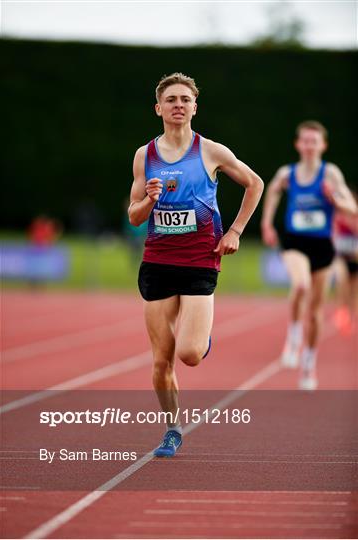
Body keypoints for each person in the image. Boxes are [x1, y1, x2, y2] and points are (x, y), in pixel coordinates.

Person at [128, 72, 263, 457]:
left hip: (201, 261)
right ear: (158, 108)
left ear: (194, 107)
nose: (178, 105)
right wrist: (149, 201)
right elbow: (134, 216)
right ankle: (173, 428)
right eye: (171, 99)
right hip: (157, 261)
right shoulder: (145, 155)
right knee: (160, 361)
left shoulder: (211, 152)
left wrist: (235, 230)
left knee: (188, 354)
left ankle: (200, 338)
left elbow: (255, 183)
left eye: (185, 99)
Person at [261, 121, 357, 390]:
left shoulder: (330, 174)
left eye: (315, 141)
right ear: (298, 144)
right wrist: (267, 222)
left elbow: (351, 207)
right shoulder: (287, 173)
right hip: (294, 242)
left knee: (315, 313)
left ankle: (308, 363)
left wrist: (336, 200)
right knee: (300, 284)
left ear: (323, 145)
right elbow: (272, 190)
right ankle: (293, 337)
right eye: (305, 140)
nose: (310, 145)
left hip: (322, 246)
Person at [332, 192, 358, 335]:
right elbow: (333, 235)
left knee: (354, 291)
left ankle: (351, 316)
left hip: (355, 258)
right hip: (340, 256)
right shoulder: (337, 217)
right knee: (342, 283)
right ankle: (341, 313)